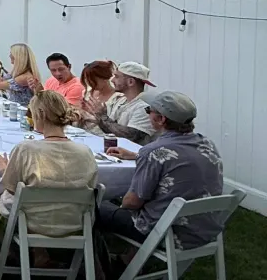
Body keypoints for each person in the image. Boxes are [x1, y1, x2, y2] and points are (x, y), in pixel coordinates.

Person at [96, 92, 224, 258]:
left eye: (149, 110)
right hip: (204, 227)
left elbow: (132, 203)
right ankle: (128, 260)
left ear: (161, 119)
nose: (148, 114)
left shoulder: (154, 152)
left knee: (93, 206)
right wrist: (137, 155)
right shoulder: (206, 143)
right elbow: (179, 158)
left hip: (168, 231)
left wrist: (120, 201)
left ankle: (98, 269)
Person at [0, 91, 98, 255]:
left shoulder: (27, 149)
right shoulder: (85, 152)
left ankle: (17, 254)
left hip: (32, 221)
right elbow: (91, 187)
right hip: (73, 220)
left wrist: (2, 167)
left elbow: (11, 186)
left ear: (40, 114)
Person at [82, 62, 155, 145]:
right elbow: (108, 126)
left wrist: (102, 116)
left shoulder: (144, 108)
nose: (112, 80)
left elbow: (131, 137)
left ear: (130, 82)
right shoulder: (120, 101)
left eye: (117, 77)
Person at [77, 60, 123, 133]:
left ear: (104, 78)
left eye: (93, 79)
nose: (89, 82)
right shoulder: (88, 93)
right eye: (87, 79)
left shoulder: (119, 98)